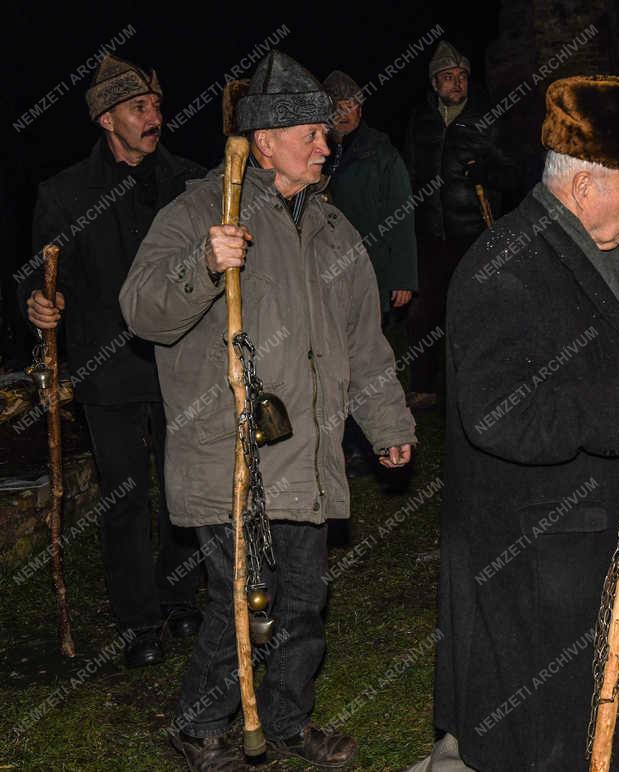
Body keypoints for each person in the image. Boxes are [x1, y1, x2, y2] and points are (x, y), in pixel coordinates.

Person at [119, 50, 416, 770]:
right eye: (312, 134)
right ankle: (200, 725)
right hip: (230, 454)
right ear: (265, 143)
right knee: (244, 603)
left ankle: (286, 723)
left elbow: (363, 345)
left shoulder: (336, 232)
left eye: (326, 134)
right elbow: (142, 311)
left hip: (307, 454)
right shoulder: (200, 210)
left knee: (305, 600)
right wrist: (204, 267)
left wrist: (389, 424)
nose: (326, 145)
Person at [418, 75, 619, 771]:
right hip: (537, 564)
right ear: (585, 183)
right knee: (546, 742)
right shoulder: (505, 266)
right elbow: (499, 415)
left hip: (590, 546)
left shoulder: (594, 250)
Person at [19, 53, 205, 669]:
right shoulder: (66, 192)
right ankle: (138, 620)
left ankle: (179, 596)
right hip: (109, 368)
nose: (154, 116)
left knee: (184, 487)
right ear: (106, 119)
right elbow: (41, 271)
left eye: (154, 105)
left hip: (182, 362)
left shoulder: (190, 182)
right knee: (125, 493)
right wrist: (39, 302)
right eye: (137, 108)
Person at [403, 41, 516, 410]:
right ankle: (424, 386)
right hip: (432, 236)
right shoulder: (421, 120)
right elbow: (411, 172)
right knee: (423, 314)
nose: (457, 84)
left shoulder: (488, 117)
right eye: (448, 78)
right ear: (434, 84)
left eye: (462, 77)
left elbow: (515, 174)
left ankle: (477, 388)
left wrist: (489, 171)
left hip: (474, 235)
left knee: (474, 314)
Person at [323, 69, 417, 478]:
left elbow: (401, 217)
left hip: (371, 271)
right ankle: (335, 445)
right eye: (335, 107)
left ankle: (366, 442)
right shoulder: (319, 153)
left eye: (349, 105)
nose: (342, 114)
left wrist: (402, 277)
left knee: (364, 360)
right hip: (325, 276)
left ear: (360, 107)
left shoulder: (381, 153)